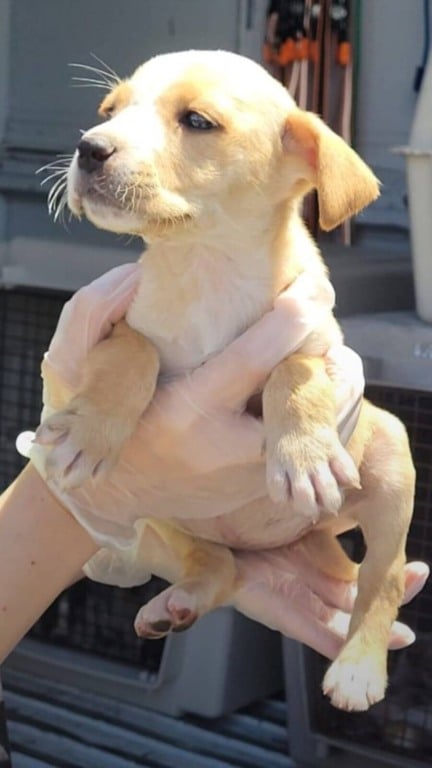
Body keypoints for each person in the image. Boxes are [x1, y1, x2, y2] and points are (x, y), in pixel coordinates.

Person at [0, 264, 428, 665]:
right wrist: (86, 495)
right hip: (225, 513)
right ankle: (209, 562)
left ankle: (211, 561)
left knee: (380, 435)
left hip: (285, 507)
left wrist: (94, 504)